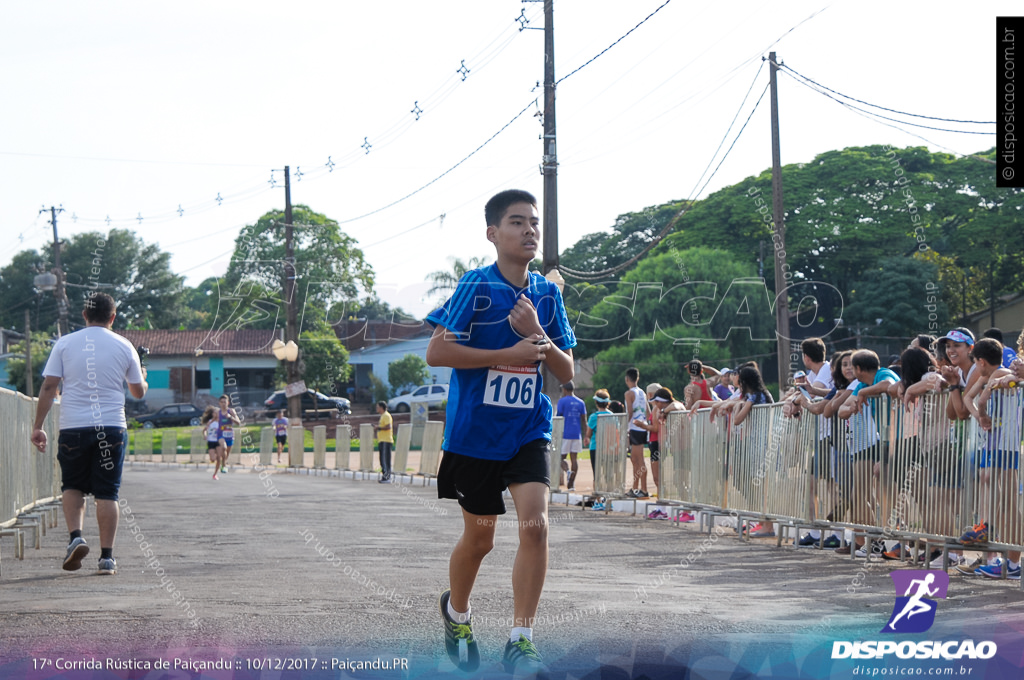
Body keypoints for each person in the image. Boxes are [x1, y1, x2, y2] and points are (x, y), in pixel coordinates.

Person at [425, 189, 576, 675]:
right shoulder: (476, 286)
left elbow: (566, 369)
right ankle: (458, 614)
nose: (529, 230)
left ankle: (521, 638)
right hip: (474, 435)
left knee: (537, 524)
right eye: (517, 222)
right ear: (493, 233)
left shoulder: (548, 296)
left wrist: (538, 332)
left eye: (534, 222)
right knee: (481, 539)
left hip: (528, 427)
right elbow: (437, 353)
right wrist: (504, 354)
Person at [30, 292, 147, 576]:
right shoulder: (125, 345)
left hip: (73, 427)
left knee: (72, 486)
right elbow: (138, 392)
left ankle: (76, 538)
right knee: (107, 492)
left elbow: (49, 387)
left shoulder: (65, 344)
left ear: (84, 315)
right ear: (113, 316)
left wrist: (38, 426)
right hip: (111, 427)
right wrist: (142, 373)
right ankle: (107, 558)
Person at [624, 367, 650, 498]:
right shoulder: (642, 392)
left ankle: (643, 489)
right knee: (635, 459)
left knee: (639, 460)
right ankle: (635, 488)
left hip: (635, 427)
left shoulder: (629, 394)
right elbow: (647, 410)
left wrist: (625, 427)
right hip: (642, 427)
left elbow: (630, 411)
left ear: (627, 379)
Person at [555, 381, 586, 491]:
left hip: (565, 434)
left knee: (559, 458)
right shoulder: (580, 402)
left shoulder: (562, 401)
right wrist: (586, 435)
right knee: (574, 459)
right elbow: (584, 419)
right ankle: (571, 484)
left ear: (565, 389)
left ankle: (567, 471)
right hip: (576, 434)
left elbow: (558, 417)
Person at [584, 389, 612, 484]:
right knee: (608, 472)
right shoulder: (612, 415)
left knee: (596, 474)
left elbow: (588, 433)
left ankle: (598, 496)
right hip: (608, 448)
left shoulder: (593, 417)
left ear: (596, 402)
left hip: (595, 447)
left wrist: (586, 438)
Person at [216, 394, 240, 473]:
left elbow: (238, 422)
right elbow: (212, 422)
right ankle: (224, 465)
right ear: (219, 403)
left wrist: (230, 417)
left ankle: (223, 464)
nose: (223, 404)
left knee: (227, 453)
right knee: (224, 448)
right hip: (221, 434)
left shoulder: (231, 411)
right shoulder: (217, 412)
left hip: (229, 435)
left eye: (224, 402)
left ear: (228, 403)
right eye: (221, 402)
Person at [201, 407, 225, 480]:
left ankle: (215, 474)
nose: (216, 414)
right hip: (211, 441)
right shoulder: (210, 422)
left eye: (217, 412)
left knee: (218, 458)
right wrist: (205, 435)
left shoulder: (221, 422)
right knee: (212, 459)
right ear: (212, 414)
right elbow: (204, 430)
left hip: (218, 441)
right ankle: (213, 455)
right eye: (215, 413)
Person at [374, 400, 394, 483]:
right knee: (382, 459)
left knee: (385, 459)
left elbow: (388, 427)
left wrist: (378, 428)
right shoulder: (382, 416)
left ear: (382, 408)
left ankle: (387, 477)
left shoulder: (386, 416)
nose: (377, 408)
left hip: (386, 440)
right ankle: (385, 476)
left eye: (378, 407)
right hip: (382, 440)